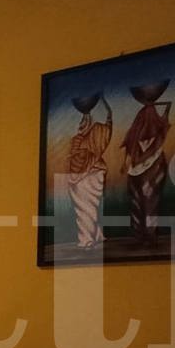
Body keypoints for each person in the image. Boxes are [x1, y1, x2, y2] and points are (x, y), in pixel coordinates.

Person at [122, 93, 172, 247]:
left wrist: (156, 106)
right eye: (141, 116)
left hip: (153, 168)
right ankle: (139, 236)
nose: (143, 119)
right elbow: (129, 149)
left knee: (150, 202)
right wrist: (125, 164)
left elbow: (166, 115)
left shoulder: (158, 132)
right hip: (134, 171)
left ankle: (150, 236)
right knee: (136, 203)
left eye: (146, 115)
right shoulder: (135, 135)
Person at [66, 95, 113, 250]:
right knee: (89, 208)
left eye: (84, 121)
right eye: (82, 121)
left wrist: (106, 107)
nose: (81, 124)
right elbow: (108, 126)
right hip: (87, 174)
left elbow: (107, 127)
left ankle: (86, 239)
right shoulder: (82, 138)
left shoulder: (93, 134)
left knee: (86, 208)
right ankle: (97, 235)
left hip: (89, 175)